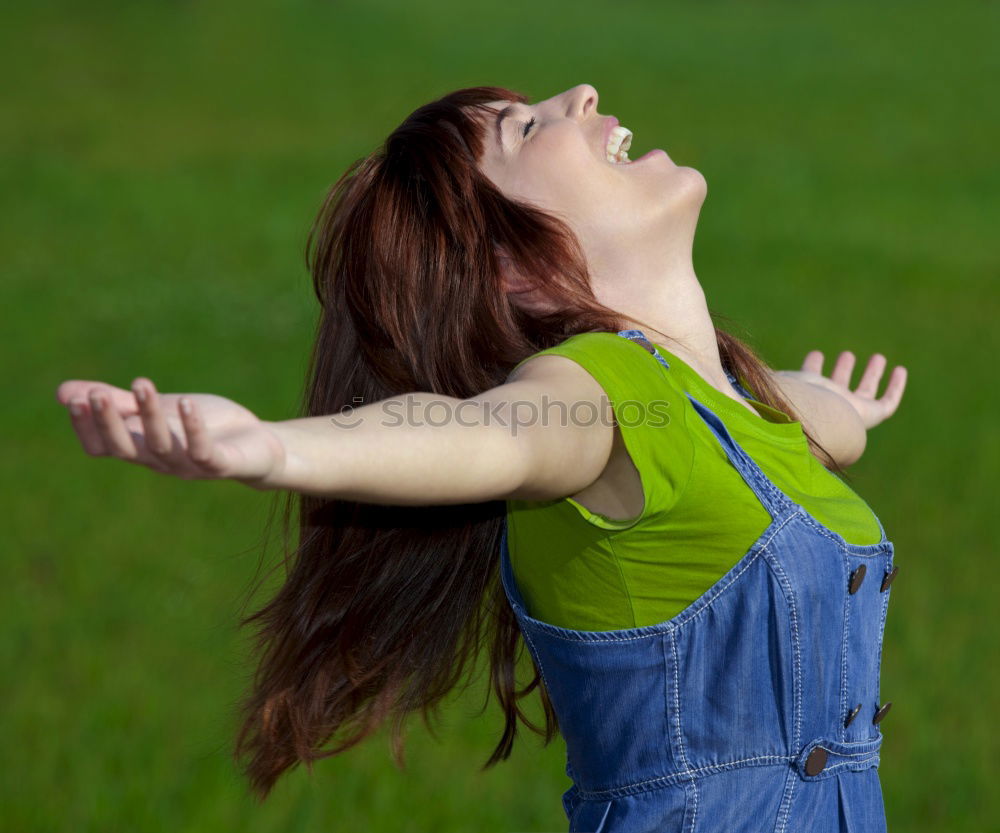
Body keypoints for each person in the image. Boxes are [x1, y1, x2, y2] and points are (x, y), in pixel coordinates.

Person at [55, 83, 908, 830]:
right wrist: (271, 447)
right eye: (527, 131)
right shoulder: (593, 394)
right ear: (513, 268)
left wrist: (839, 407)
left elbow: (805, 427)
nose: (579, 94)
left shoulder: (728, 408)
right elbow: (482, 433)